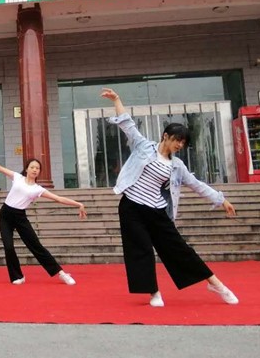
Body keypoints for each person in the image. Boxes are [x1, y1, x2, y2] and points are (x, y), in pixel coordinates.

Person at [101, 87, 239, 307]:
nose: (179, 145)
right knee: (141, 249)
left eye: (183, 143)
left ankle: (215, 284)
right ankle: (153, 292)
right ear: (166, 136)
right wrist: (117, 99)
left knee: (179, 249)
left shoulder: (176, 165)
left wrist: (220, 199)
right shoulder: (143, 146)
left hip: (157, 211)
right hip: (131, 208)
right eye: (177, 140)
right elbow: (127, 124)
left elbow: (196, 185)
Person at [0, 156, 87, 285]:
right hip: (5, 214)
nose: (35, 170)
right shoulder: (17, 177)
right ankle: (17, 276)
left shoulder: (38, 189)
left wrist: (78, 204)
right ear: (26, 169)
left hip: (20, 217)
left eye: (37, 168)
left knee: (36, 246)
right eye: (32, 167)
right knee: (8, 247)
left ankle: (61, 273)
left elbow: (58, 198)